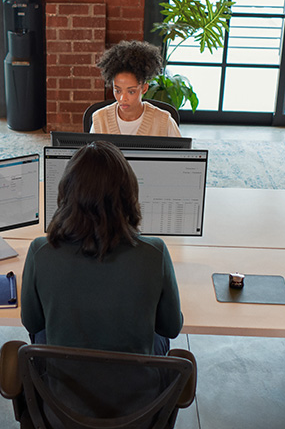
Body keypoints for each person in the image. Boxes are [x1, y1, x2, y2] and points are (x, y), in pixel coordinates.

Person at [21, 141, 183, 356]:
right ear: (128, 195)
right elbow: (170, 328)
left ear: (67, 193)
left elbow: (32, 324)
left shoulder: (40, 252)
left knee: (42, 336)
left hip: (60, 386)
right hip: (137, 388)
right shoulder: (155, 253)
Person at [90, 40, 182, 137]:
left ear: (144, 88)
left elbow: (181, 152)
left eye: (131, 91)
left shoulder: (163, 121)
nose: (122, 98)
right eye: (118, 91)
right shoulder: (100, 119)